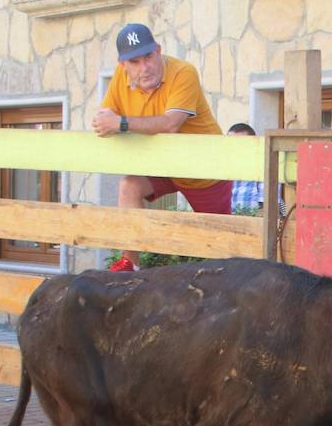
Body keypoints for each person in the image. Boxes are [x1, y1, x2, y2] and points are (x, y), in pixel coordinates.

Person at [91, 23, 230, 271]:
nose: (145, 67)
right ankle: (129, 265)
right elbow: (105, 116)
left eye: (149, 56)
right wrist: (106, 120)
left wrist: (120, 123)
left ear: (158, 50)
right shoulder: (119, 77)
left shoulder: (183, 72)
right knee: (129, 186)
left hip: (205, 172)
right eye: (135, 61)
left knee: (223, 249)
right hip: (164, 166)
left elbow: (170, 123)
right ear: (123, 65)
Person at [227, 122, 264, 213]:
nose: (235, 148)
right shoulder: (219, 169)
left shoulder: (263, 168)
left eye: (241, 144)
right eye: (230, 144)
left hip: (251, 223)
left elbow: (267, 209)